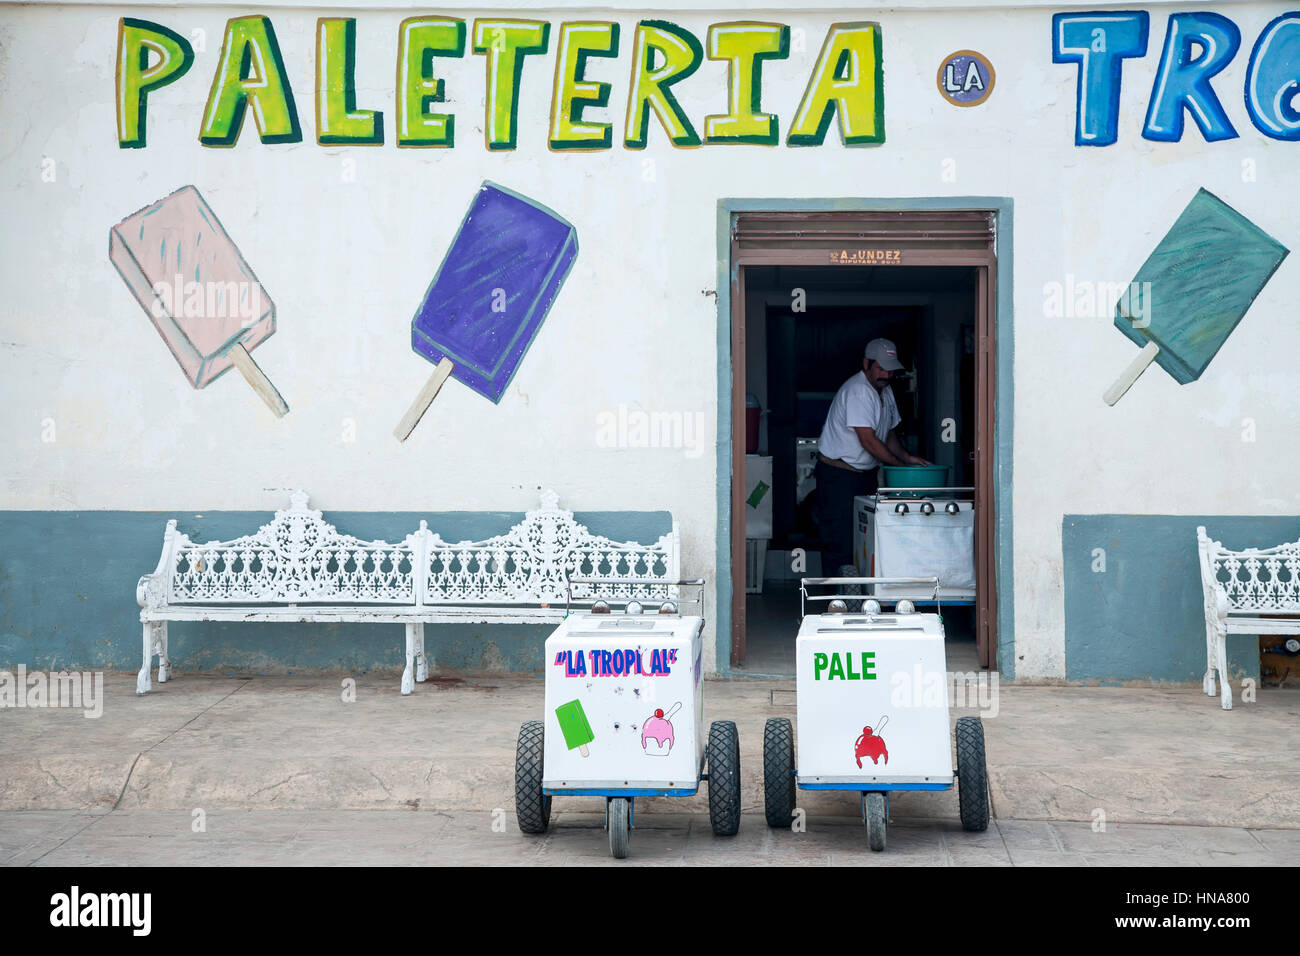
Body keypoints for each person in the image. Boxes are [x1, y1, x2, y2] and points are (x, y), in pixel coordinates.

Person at [815, 338, 931, 574]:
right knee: (840, 540)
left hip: (864, 476)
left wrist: (908, 459)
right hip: (839, 476)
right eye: (881, 368)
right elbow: (868, 440)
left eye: (891, 369)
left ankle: (862, 598)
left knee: (864, 537)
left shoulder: (884, 391)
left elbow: (886, 433)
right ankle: (837, 604)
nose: (887, 374)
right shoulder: (858, 391)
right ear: (866, 363)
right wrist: (897, 466)